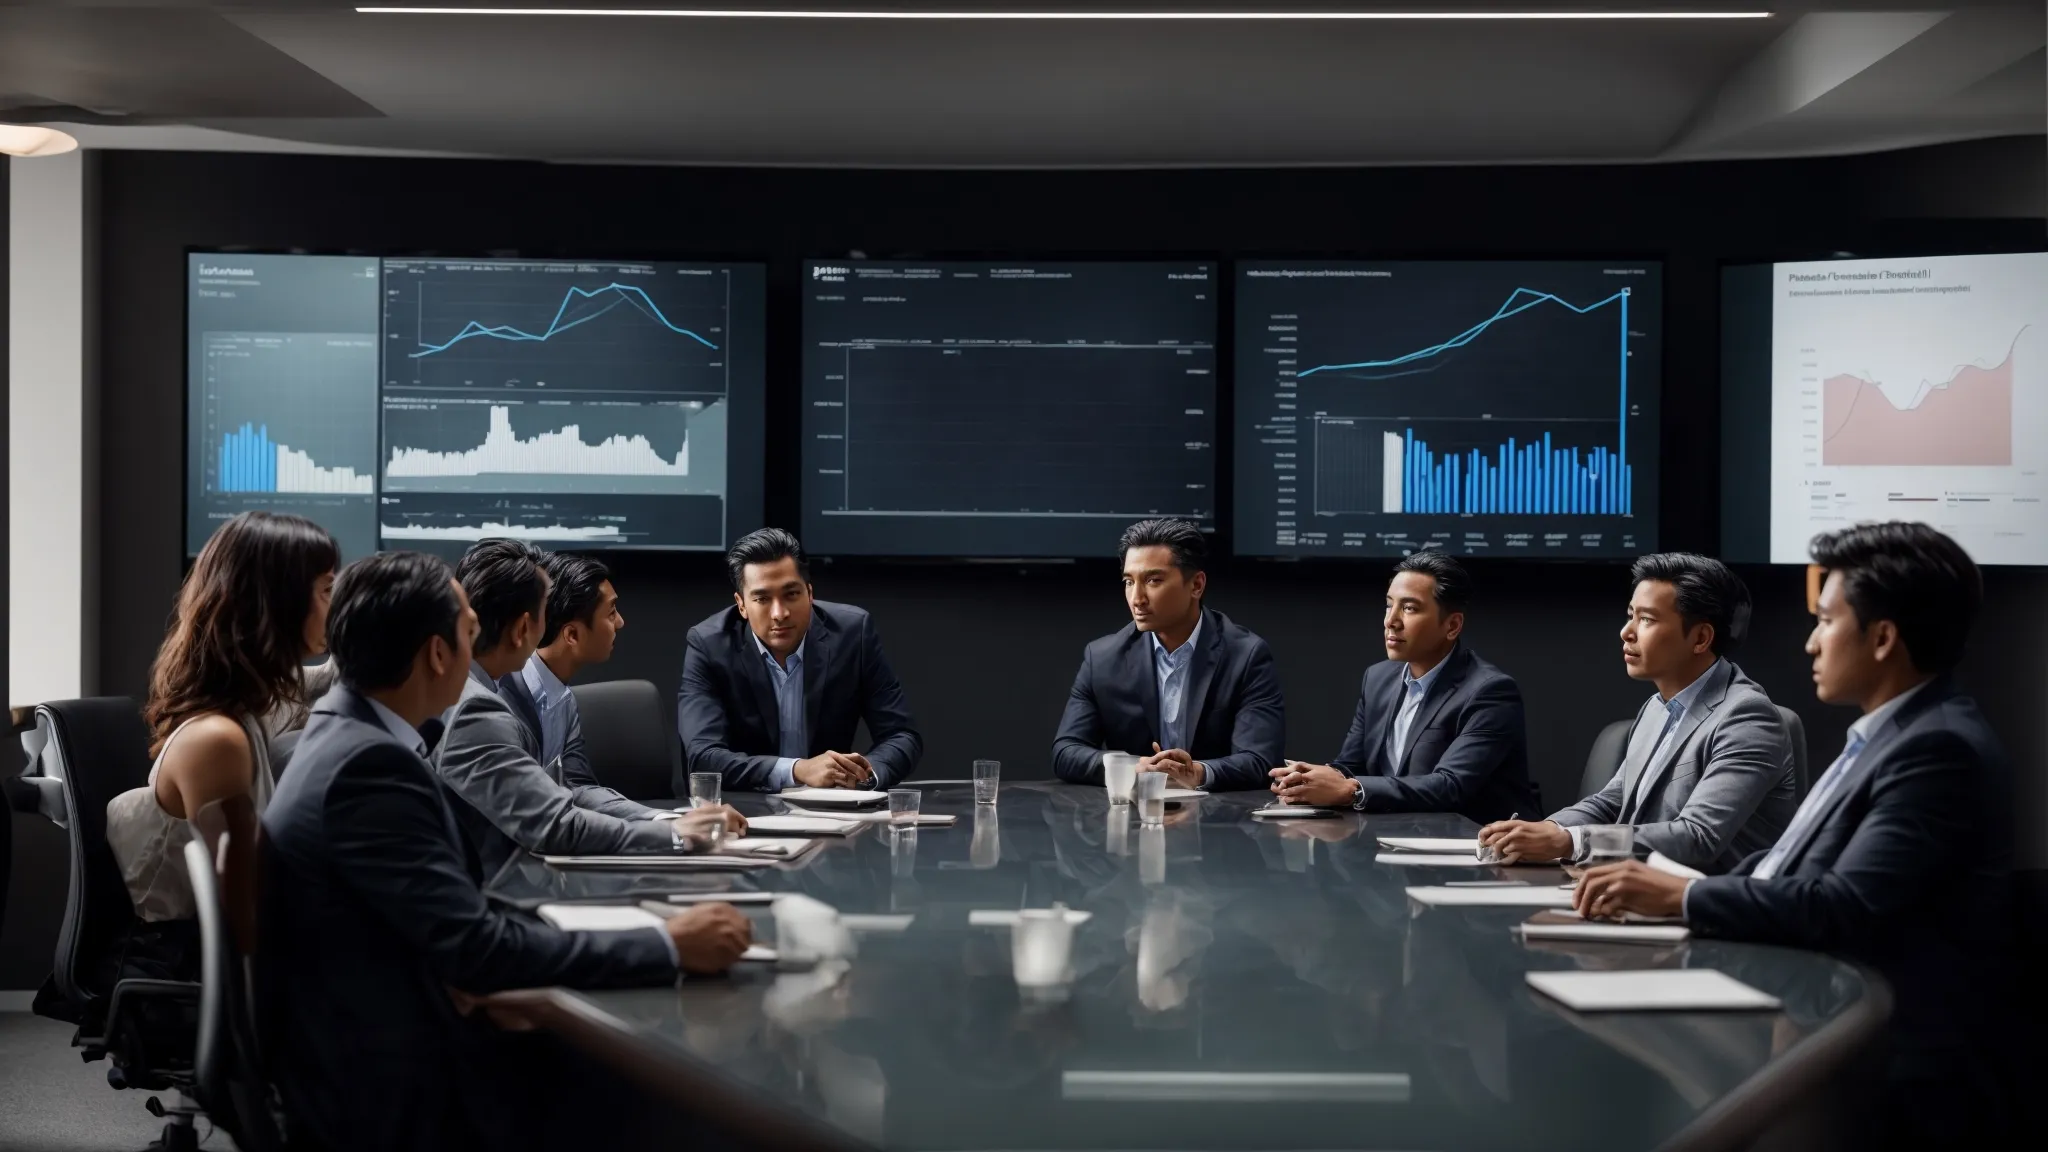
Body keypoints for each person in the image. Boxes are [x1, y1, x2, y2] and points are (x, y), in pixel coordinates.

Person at [259, 551, 754, 1152]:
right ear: (438, 655)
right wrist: (667, 944)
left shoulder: (351, 734)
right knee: (680, 1100)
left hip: (381, 1041)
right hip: (394, 1086)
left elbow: (451, 922)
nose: (480, 655)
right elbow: (478, 950)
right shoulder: (370, 768)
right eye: (469, 633)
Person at [1573, 523, 2011, 1139]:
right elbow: (1782, 867)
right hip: (1804, 1008)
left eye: (1827, 621)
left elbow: (1843, 905)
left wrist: (1681, 896)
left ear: (1883, 638)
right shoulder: (1887, 736)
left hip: (1870, 1059)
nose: (1810, 644)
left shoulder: (1936, 750)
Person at [103, 511, 338, 983]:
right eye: (327, 591)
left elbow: (331, 676)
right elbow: (248, 918)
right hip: (191, 965)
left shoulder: (254, 702)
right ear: (278, 603)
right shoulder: (217, 740)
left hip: (219, 954)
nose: (334, 609)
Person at [436, 539, 741, 877]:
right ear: (524, 628)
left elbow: (572, 789)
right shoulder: (477, 709)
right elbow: (553, 824)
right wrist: (673, 834)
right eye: (543, 611)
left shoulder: (545, 697)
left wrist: (667, 821)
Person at [1478, 553, 1797, 872]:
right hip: (1637, 889)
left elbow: (1699, 837)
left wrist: (1569, 842)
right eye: (1631, 615)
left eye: (1647, 619)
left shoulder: (1747, 716)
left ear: (1700, 638)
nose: (1626, 632)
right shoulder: (1657, 707)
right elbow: (1611, 801)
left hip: (1709, 906)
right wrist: (1548, 830)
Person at [1272, 550, 1537, 823]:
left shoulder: (1490, 692)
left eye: (1409, 608)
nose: (1391, 621)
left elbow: (1450, 786)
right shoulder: (1377, 678)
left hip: (1475, 846)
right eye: (1389, 605)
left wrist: (1352, 790)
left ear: (1452, 625)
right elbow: (1351, 767)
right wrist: (1310, 780)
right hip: (1395, 837)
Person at [679, 527, 923, 792]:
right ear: (741, 605)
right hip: (746, 813)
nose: (779, 613)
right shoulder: (709, 644)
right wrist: (797, 770)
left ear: (809, 593)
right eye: (762, 598)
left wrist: (864, 774)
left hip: (831, 810)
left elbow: (901, 735)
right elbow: (702, 757)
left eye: (791, 594)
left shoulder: (853, 634)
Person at [1052, 518, 1284, 791]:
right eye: (1129, 582)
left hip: (1218, 820)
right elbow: (1066, 751)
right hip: (1134, 819)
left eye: (1153, 580)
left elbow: (1260, 759)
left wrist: (1197, 772)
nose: (1137, 598)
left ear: (1196, 585)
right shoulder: (1102, 657)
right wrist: (1132, 767)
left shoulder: (1245, 656)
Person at [496, 552, 656, 820]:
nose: (620, 622)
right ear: (571, 635)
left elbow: (578, 788)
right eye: (611, 612)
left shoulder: (563, 700)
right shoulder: (501, 701)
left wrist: (661, 818)